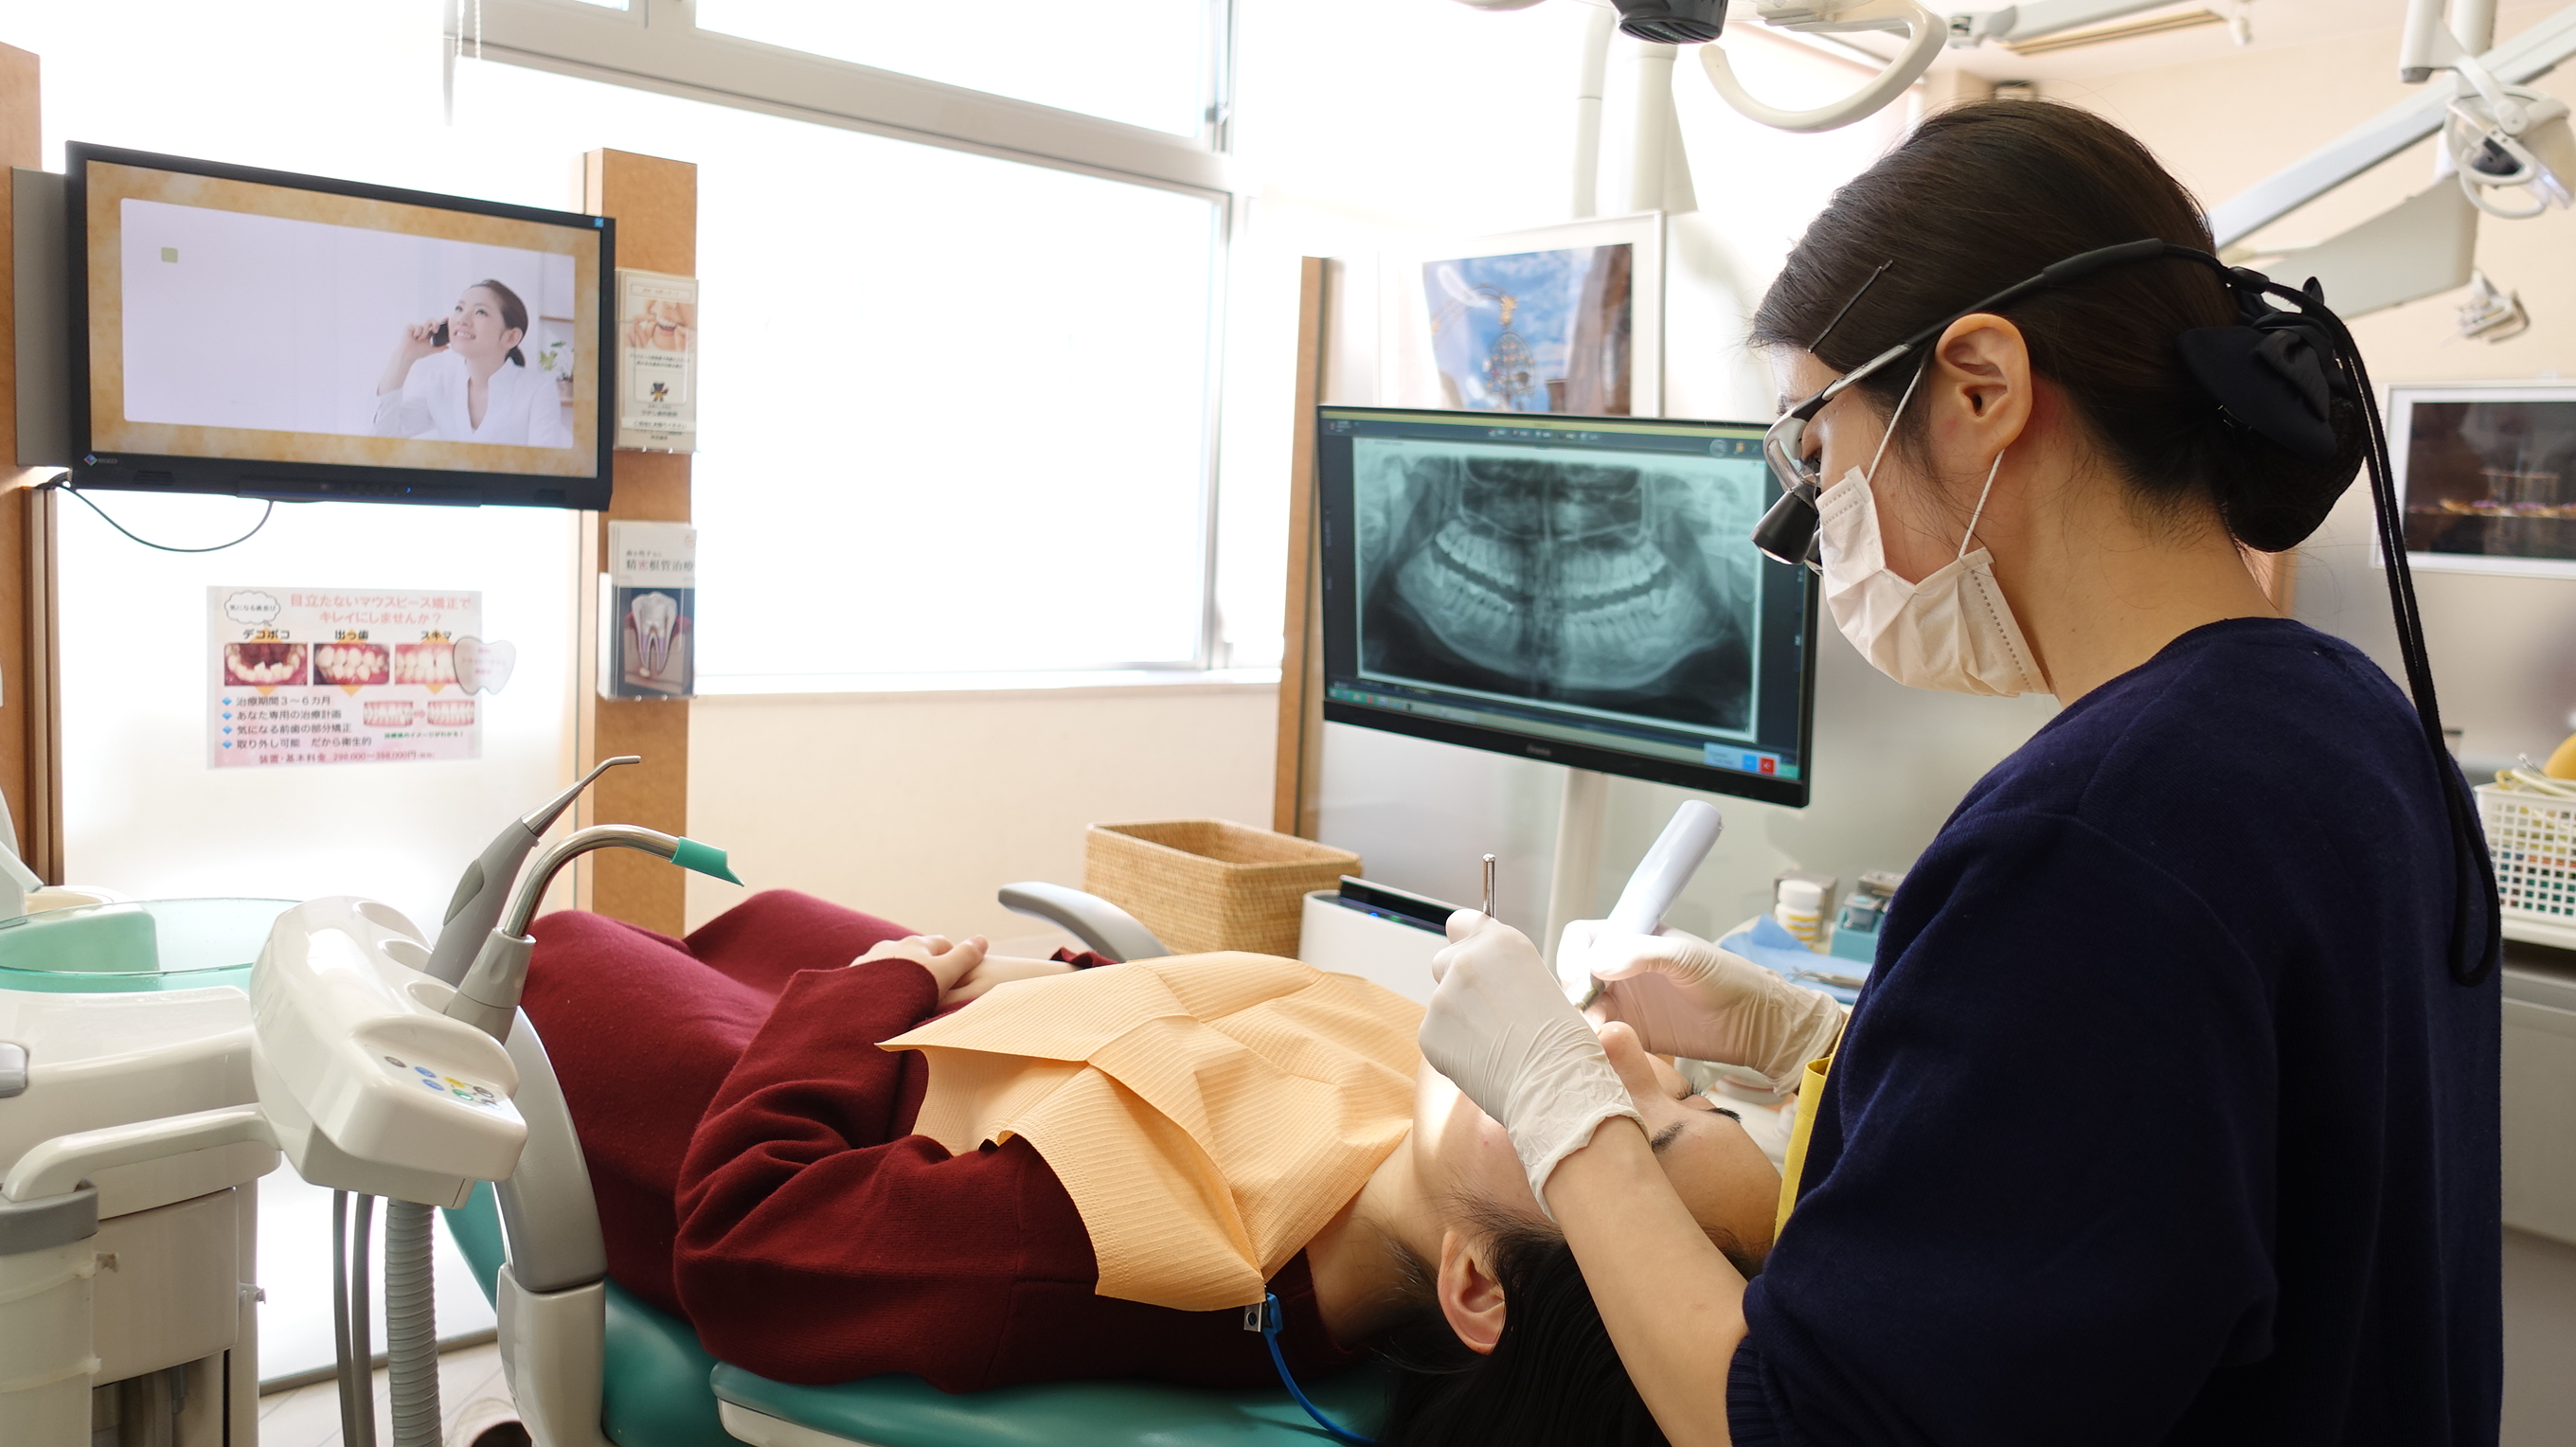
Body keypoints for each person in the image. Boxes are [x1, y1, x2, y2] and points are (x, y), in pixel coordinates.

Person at [1419, 99, 2502, 1446]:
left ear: (1982, 386)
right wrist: (1821, 1042)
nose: (1814, 525)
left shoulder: (2101, 834)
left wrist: (1558, 1100)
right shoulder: (2365, 733)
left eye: (1819, 451)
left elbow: (1805, 1426)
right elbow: (2174, 1182)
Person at [518, 888, 1780, 1444]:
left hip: (768, 1111)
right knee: (771, 914)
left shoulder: (1119, 1246)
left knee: (552, 951)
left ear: (1476, 1286)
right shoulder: (1420, 1100)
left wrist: (872, 996)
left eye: (1613, 1121)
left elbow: (748, 1245)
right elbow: (1204, 1039)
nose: (1606, 1040)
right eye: (1689, 1082)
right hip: (897, 1027)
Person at [373, 278, 571, 446]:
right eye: (459, 308)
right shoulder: (438, 384)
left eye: (480, 312)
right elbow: (382, 438)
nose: (462, 319)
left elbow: (545, 468)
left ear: (510, 337)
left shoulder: (538, 388)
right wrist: (405, 356)